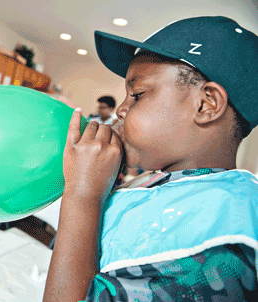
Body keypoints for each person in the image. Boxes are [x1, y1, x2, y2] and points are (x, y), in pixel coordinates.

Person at [44, 16, 258, 302]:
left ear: (206, 104)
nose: (121, 110)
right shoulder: (154, 180)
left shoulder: (221, 242)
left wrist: (83, 195)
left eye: (137, 94)